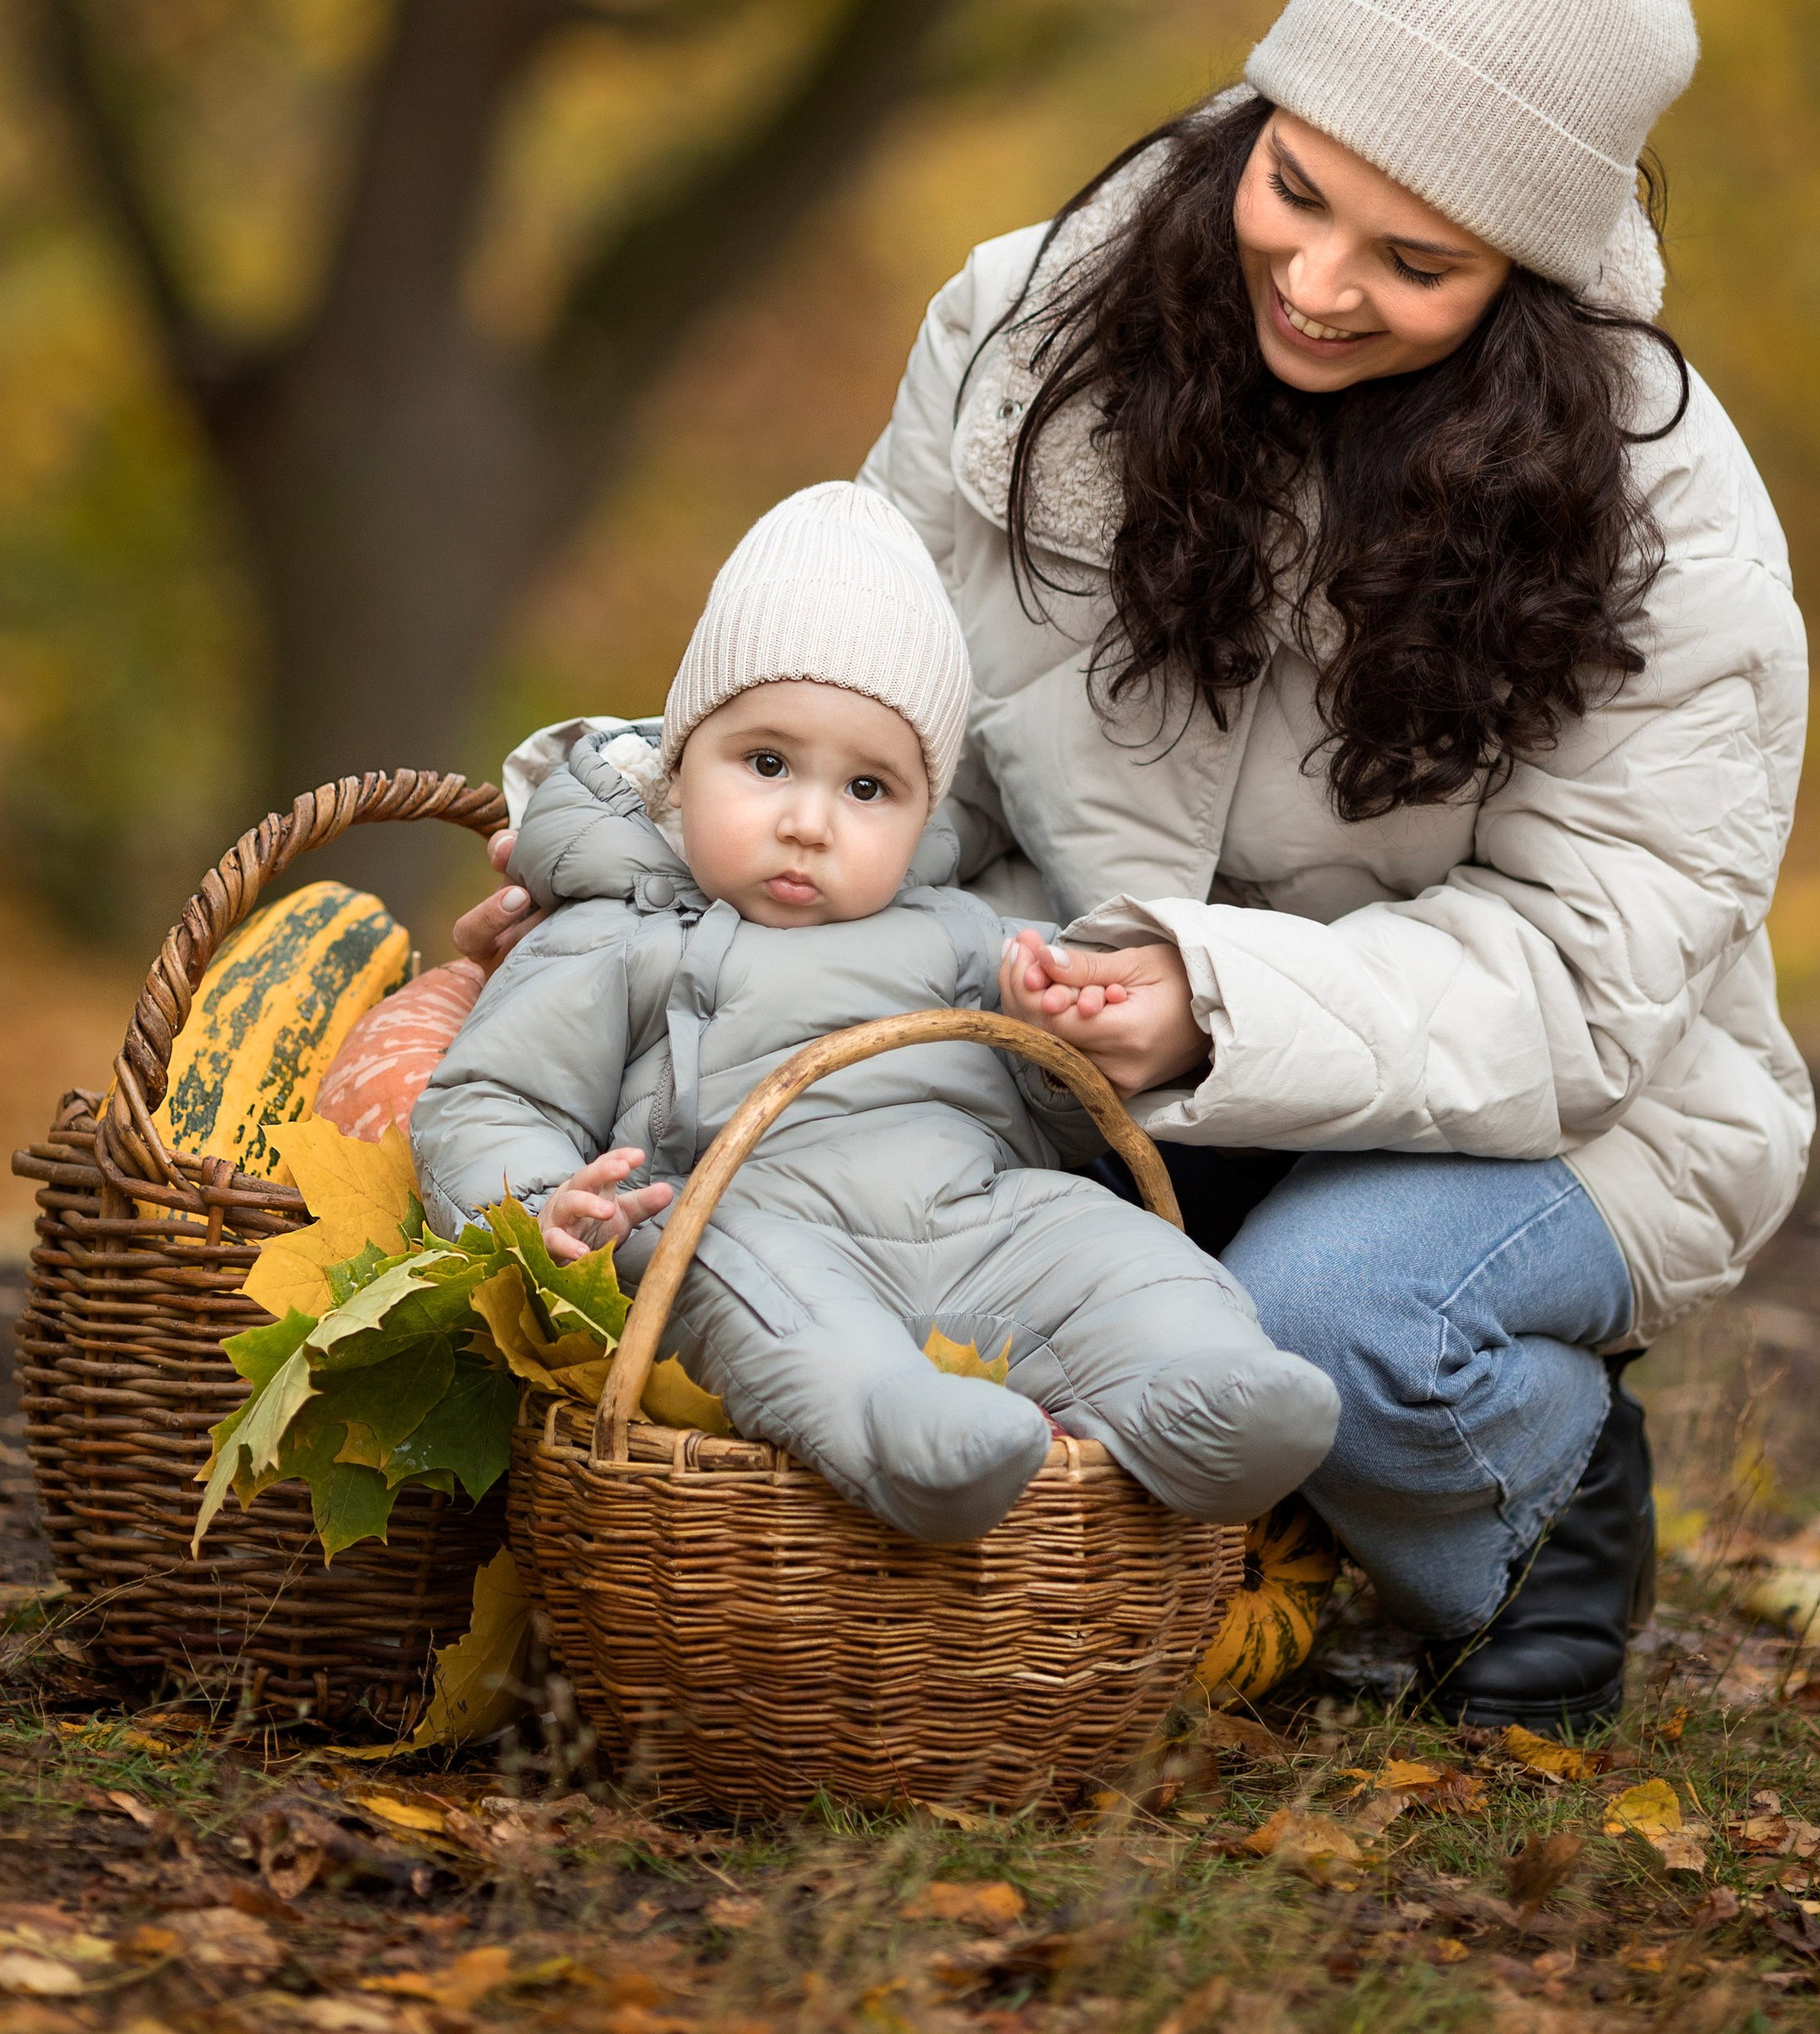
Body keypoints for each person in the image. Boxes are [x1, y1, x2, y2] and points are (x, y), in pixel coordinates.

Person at [454, 0, 1810, 1735]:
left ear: (1529, 271)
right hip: (1075, 1016)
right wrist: (645, 862)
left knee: (1332, 1325)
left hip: (1547, 1104)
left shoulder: (1659, 519)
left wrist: (1214, 998)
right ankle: (995, 1578)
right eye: (1294, 189)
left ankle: (1531, 1518)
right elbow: (883, 725)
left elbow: (1585, 976)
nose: (1316, 283)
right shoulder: (1032, 337)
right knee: (783, 1147)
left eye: (1413, 263)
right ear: (1259, 114)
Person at [411, 482, 1339, 1549]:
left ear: (923, 812)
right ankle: (896, 1432)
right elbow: (491, 1097)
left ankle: (1198, 1386)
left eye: (868, 789)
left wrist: (1053, 1048)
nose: (809, 822)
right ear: (680, 765)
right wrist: (539, 1208)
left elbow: (1062, 1127)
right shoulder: (616, 932)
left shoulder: (963, 932)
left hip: (971, 1212)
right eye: (766, 765)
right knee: (752, 1294)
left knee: (1108, 1245)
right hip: (746, 1221)